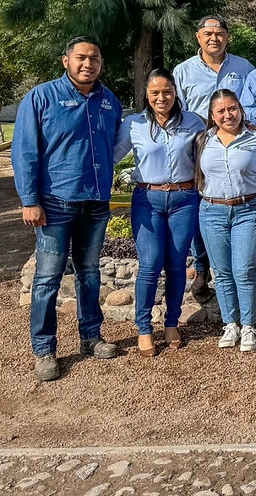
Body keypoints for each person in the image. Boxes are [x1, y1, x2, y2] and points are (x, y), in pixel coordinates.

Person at [13, 36, 123, 381]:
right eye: (81, 57)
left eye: (95, 58)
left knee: (90, 274)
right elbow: (25, 151)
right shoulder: (41, 97)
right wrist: (29, 200)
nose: (88, 63)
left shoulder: (109, 102)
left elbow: (116, 146)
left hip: (95, 203)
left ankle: (91, 336)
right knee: (47, 278)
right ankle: (44, 349)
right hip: (55, 203)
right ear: (66, 61)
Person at [114, 68, 204, 357]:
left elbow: (209, 153)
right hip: (148, 199)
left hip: (184, 199)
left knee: (177, 264)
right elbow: (112, 154)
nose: (161, 97)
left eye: (166, 91)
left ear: (175, 92)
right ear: (147, 95)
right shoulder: (134, 124)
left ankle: (171, 322)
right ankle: (143, 327)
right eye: (155, 93)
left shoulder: (192, 122)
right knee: (151, 264)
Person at [173, 15, 255, 294]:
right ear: (198, 38)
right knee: (202, 202)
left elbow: (251, 104)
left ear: (227, 37)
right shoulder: (183, 71)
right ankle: (202, 266)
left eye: (219, 33)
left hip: (237, 141)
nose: (214, 38)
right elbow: (177, 110)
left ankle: (241, 266)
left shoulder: (243, 67)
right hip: (199, 144)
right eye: (207, 34)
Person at [195, 89, 256, 352]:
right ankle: (230, 323)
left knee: (244, 270)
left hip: (248, 210)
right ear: (212, 115)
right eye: (220, 111)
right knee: (222, 272)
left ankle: (249, 325)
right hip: (212, 211)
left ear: (240, 110)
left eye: (232, 109)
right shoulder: (203, 140)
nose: (227, 115)